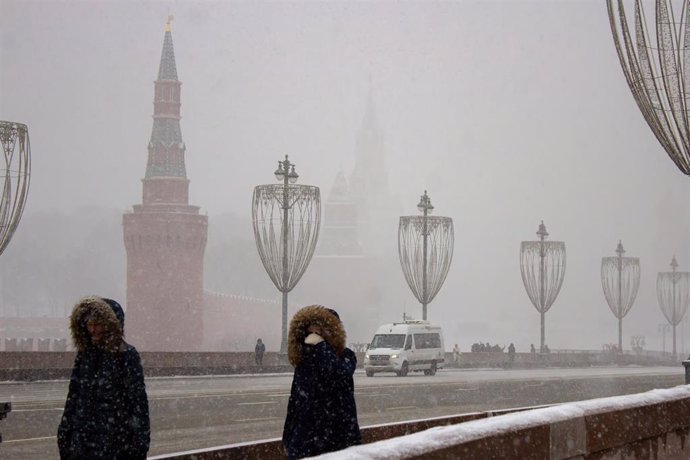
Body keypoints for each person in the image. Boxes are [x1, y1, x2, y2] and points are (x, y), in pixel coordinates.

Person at [57, 296, 150, 459]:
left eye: (97, 324)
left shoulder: (126, 356)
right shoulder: (84, 355)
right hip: (82, 448)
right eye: (89, 324)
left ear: (111, 326)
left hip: (115, 447)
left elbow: (137, 404)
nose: (92, 330)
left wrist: (138, 447)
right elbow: (73, 399)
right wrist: (64, 436)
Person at [282, 305, 361, 459]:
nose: (314, 335)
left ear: (332, 332)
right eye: (311, 331)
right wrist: (288, 437)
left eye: (319, 331)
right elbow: (295, 402)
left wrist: (321, 346)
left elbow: (339, 374)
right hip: (305, 441)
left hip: (337, 439)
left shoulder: (345, 356)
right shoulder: (304, 359)